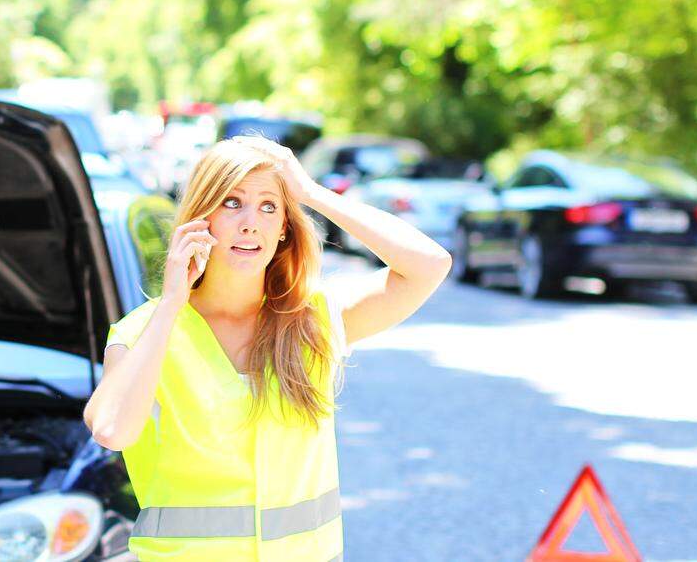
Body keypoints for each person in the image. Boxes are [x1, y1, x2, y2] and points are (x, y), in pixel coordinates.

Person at [82, 135, 452, 561]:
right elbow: (111, 430)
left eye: (269, 206)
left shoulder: (313, 318)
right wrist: (171, 303)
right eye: (232, 202)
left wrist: (312, 193)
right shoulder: (145, 331)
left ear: (283, 232)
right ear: (200, 218)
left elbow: (429, 266)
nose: (249, 223)